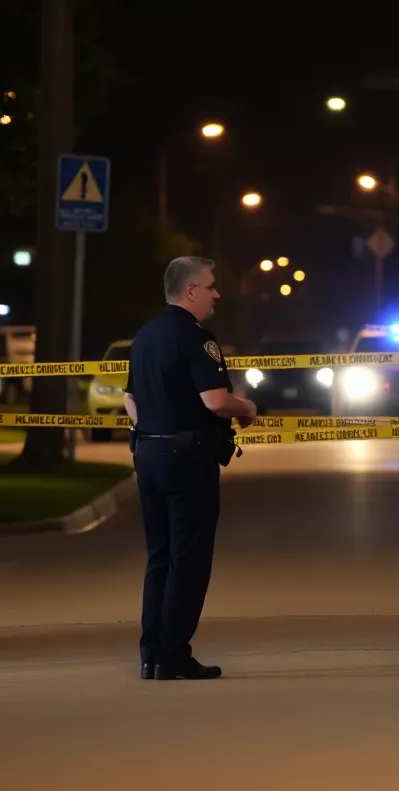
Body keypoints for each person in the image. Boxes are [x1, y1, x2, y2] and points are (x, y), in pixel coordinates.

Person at [124, 256, 257, 681]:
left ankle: (152, 655)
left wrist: (154, 424)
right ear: (190, 291)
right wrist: (248, 407)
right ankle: (174, 654)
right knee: (189, 558)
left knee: (159, 557)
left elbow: (130, 400)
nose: (217, 293)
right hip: (188, 460)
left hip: (148, 455)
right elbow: (215, 401)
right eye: (211, 286)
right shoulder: (197, 338)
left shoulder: (144, 337)